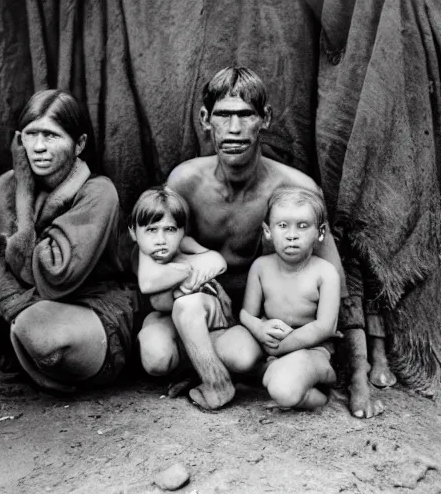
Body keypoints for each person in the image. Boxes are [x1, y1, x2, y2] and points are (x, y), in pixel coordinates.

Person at [163, 66, 384, 417]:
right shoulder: (185, 181)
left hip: (270, 324)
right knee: (157, 357)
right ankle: (209, 370)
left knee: (250, 358)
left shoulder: (296, 190)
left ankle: (262, 372)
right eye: (223, 115)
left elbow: (337, 285)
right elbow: (150, 251)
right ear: (205, 119)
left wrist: (359, 377)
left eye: (245, 115)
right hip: (216, 313)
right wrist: (200, 259)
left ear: (265, 118)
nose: (234, 130)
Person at [0, 89, 136, 393]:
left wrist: (23, 197)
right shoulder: (7, 186)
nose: (37, 147)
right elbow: (19, 267)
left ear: (79, 145)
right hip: (28, 290)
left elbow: (57, 275)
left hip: (83, 300)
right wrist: (21, 188)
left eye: (51, 136)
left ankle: (26, 341)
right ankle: (19, 343)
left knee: (39, 330)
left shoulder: (99, 192)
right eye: (30, 134)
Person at [132, 187, 237, 409]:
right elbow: (148, 283)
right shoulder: (144, 254)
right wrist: (188, 270)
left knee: (186, 303)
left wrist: (198, 268)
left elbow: (218, 262)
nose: (161, 239)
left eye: (170, 229)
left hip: (207, 314)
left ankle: (217, 382)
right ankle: (192, 372)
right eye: (151, 230)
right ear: (133, 232)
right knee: (155, 358)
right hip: (169, 318)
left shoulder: (184, 244)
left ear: (182, 232)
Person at [239, 186, 340, 410]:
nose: (291, 235)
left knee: (283, 389)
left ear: (320, 232)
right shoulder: (261, 267)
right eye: (282, 226)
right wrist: (258, 328)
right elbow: (246, 314)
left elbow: (326, 326)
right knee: (242, 362)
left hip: (313, 352)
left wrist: (281, 346)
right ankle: (283, 381)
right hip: (271, 349)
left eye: (302, 226)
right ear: (268, 231)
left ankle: (313, 393)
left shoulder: (325, 272)